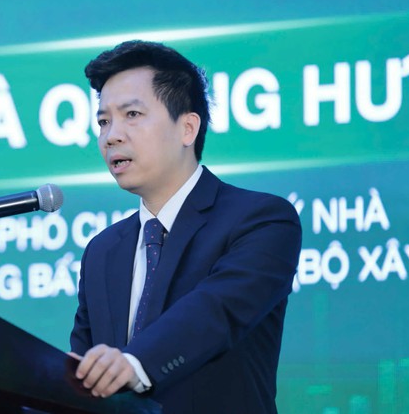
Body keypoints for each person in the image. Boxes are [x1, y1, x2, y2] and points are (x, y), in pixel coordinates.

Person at [69, 40, 302, 413]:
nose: (111, 136)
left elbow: (215, 311)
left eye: (132, 114)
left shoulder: (262, 220)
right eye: (103, 121)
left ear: (188, 128)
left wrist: (134, 364)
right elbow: (83, 373)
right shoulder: (102, 251)